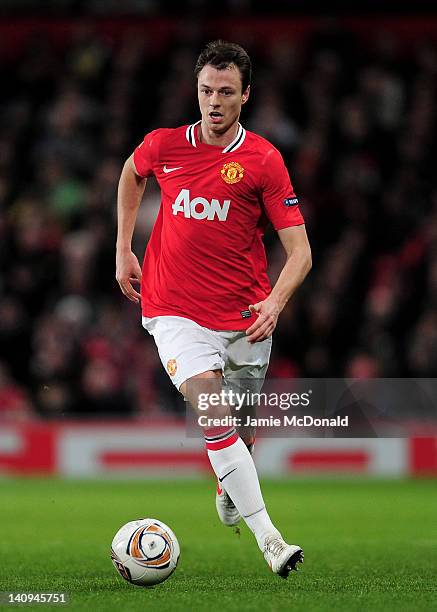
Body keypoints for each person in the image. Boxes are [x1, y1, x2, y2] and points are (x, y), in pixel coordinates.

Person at [116, 40, 312, 577]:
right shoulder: (164, 145)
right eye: (206, 91)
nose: (214, 102)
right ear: (196, 92)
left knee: (241, 432)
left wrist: (275, 299)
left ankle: (230, 482)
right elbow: (131, 174)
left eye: (226, 92)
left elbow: (301, 253)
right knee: (211, 409)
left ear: (245, 96)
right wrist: (123, 247)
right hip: (174, 310)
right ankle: (271, 540)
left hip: (245, 317)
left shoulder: (263, 161)